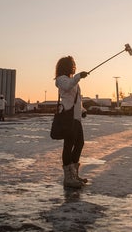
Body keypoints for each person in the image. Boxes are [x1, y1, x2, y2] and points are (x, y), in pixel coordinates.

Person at [55, 55, 89, 188]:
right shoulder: (61, 80)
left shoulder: (72, 80)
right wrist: (79, 76)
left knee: (80, 143)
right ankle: (68, 178)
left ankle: (74, 174)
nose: (74, 66)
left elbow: (77, 99)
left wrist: (83, 109)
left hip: (76, 117)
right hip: (68, 118)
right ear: (66, 66)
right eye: (72, 64)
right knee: (68, 146)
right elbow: (68, 87)